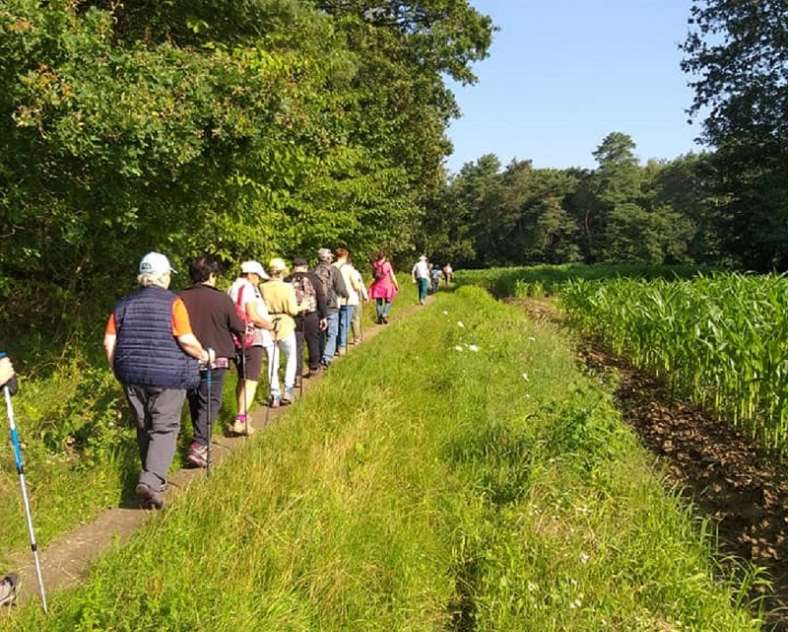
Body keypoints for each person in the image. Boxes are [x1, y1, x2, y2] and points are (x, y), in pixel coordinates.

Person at [104, 252, 213, 509]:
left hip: (131, 375)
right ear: (163, 276)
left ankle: (152, 477)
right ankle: (151, 480)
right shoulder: (173, 303)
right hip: (168, 375)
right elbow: (185, 339)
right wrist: (204, 355)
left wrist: (117, 368)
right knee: (164, 427)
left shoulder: (123, 304)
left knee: (144, 425)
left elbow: (109, 342)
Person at [178, 256, 246, 468]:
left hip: (186, 357)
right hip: (216, 358)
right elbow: (238, 326)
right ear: (211, 275)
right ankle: (199, 445)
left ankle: (193, 439)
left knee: (194, 400)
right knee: (210, 402)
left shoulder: (178, 297)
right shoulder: (222, 299)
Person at [227, 261, 275, 435]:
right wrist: (269, 325)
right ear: (251, 275)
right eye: (258, 277)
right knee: (252, 379)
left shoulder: (232, 288)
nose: (258, 281)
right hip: (252, 338)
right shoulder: (247, 288)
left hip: (236, 338)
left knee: (242, 378)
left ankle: (242, 416)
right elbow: (253, 315)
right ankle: (241, 418)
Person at [259, 258, 299, 407]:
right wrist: (304, 306)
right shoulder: (287, 287)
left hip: (268, 323)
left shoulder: (262, 287)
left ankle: (274, 393)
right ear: (282, 272)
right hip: (285, 323)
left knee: (272, 360)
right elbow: (293, 310)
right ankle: (288, 390)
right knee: (290, 357)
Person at [286, 258, 327, 380]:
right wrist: (323, 316)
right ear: (306, 266)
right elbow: (321, 297)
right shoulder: (314, 278)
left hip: (294, 316)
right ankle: (314, 367)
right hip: (311, 315)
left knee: (297, 345)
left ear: (294, 267)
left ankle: (296, 374)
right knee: (313, 341)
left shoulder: (287, 280)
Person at [313, 248, 348, 368]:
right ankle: (327, 357)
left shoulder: (313, 271)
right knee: (332, 333)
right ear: (328, 258)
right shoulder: (334, 270)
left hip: (317, 306)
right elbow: (340, 288)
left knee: (321, 331)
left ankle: (321, 354)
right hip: (331, 305)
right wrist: (346, 295)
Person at [333, 248, 363, 355]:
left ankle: (334, 346)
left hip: (334, 300)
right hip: (348, 299)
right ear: (345, 256)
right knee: (344, 323)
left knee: (336, 323)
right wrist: (359, 287)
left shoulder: (332, 267)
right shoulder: (349, 269)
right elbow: (356, 285)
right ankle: (341, 346)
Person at [369, 251, 399, 324]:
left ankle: (379, 318)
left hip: (377, 285)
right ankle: (384, 314)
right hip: (387, 285)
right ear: (384, 257)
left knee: (378, 302)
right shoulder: (387, 264)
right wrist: (396, 284)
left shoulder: (375, 264)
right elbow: (392, 275)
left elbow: (373, 276)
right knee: (388, 301)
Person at [347, 254, 368, 344]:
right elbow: (360, 285)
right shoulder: (354, 272)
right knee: (356, 318)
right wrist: (365, 295)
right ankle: (357, 338)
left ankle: (342, 342)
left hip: (342, 299)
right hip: (355, 297)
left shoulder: (338, 271)